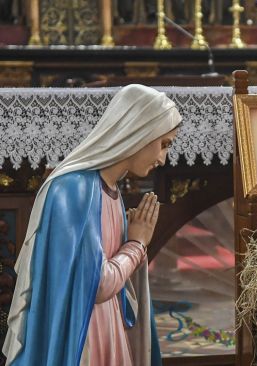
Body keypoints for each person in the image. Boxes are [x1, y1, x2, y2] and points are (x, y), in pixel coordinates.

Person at [2, 84, 182, 365]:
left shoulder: (108, 188)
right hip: (84, 337)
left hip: (106, 327)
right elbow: (97, 284)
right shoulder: (75, 190)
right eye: (164, 144)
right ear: (139, 131)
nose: (162, 158)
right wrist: (136, 245)